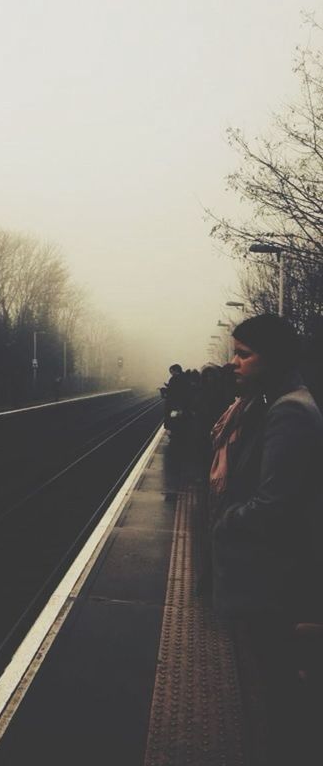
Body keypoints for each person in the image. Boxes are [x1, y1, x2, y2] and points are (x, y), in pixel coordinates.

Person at [208, 314, 323, 765]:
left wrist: (226, 519)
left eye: (243, 354)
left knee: (279, 692)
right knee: (272, 685)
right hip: (274, 577)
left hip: (277, 582)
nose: (233, 363)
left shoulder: (289, 411)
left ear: (271, 359)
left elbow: (276, 504)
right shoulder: (268, 402)